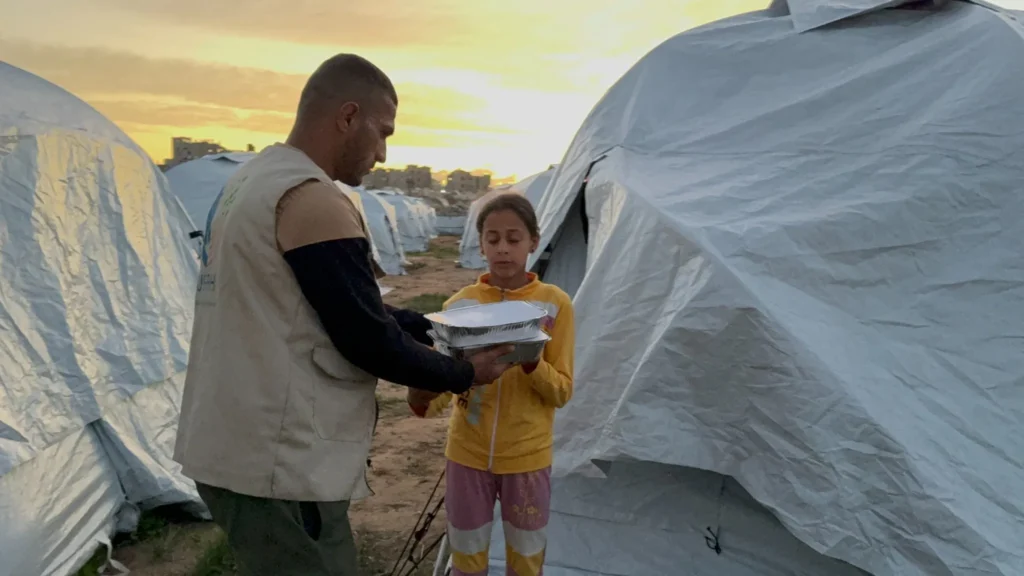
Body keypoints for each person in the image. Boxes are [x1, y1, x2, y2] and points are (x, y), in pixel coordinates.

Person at [173, 53, 513, 576]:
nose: (382, 152)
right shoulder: (311, 198)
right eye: (382, 132)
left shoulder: (253, 182)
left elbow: (344, 305)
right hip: (277, 462)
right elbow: (365, 338)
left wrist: (434, 328)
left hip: (231, 441)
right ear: (347, 116)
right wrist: (465, 371)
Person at [407, 193, 575, 576]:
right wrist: (419, 387)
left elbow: (562, 392)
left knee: (527, 559)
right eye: (492, 238)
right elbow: (431, 399)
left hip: (528, 458)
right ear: (480, 243)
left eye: (514, 239)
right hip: (466, 455)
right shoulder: (459, 307)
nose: (502, 249)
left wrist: (534, 363)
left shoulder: (554, 306)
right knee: (466, 557)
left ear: (534, 240)